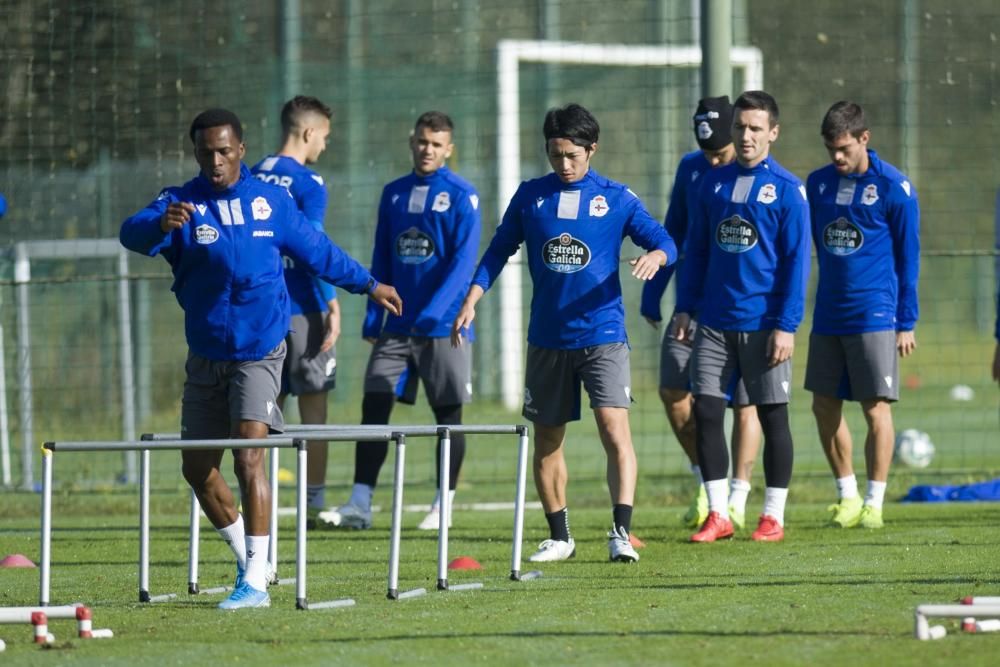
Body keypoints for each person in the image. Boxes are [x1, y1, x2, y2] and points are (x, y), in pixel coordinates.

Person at [119, 108, 402, 609]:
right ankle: (252, 558)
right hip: (206, 353)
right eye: (206, 152)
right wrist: (157, 223)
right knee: (198, 470)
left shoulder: (271, 202)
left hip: (260, 351)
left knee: (250, 456)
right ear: (195, 154)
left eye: (224, 151)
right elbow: (131, 232)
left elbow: (319, 251)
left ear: (241, 150)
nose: (215, 161)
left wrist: (369, 284)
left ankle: (253, 581)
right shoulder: (180, 203)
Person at [452, 103, 677, 563]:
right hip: (548, 338)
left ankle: (620, 533)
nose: (563, 164)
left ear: (592, 149)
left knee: (615, 430)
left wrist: (656, 257)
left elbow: (667, 241)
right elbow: (498, 250)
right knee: (547, 440)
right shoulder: (531, 196)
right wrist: (473, 296)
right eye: (555, 155)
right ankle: (561, 537)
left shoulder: (616, 198)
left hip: (603, 333)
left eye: (572, 155)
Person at [322, 111, 481, 531]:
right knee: (374, 405)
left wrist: (432, 313)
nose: (428, 149)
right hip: (395, 325)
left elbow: (463, 267)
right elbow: (382, 257)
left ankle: (441, 505)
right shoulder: (393, 194)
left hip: (444, 328)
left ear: (449, 149)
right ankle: (360, 503)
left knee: (448, 416)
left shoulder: (463, 196)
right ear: (412, 142)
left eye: (437, 144)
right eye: (422, 142)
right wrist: (374, 318)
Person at [673, 90, 810, 543]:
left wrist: (786, 326)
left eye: (755, 128)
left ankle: (773, 516)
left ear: (773, 132)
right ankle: (718, 514)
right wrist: (685, 307)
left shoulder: (789, 190)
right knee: (708, 412)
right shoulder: (711, 185)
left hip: (765, 325)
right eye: (740, 127)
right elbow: (697, 254)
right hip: (713, 322)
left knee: (773, 418)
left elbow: (796, 264)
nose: (746, 136)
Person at [639, 96, 762, 531]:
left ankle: (740, 495)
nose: (714, 159)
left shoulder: (758, 179)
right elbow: (671, 230)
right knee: (673, 390)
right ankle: (705, 480)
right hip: (692, 307)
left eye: (721, 151)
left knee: (745, 404)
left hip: (745, 311)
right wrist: (654, 295)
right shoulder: (692, 168)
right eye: (707, 151)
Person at [805, 101, 920, 530]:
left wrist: (906, 320)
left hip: (876, 314)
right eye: (830, 148)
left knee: (875, 409)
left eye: (844, 148)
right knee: (823, 406)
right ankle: (848, 495)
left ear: (864, 139)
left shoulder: (894, 188)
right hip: (829, 314)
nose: (836, 157)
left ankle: (875, 501)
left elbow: (909, 258)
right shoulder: (817, 185)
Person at [251, 96, 340, 529]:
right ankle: (313, 506)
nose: (324, 145)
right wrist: (331, 302)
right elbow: (314, 246)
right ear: (308, 133)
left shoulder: (253, 175)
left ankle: (255, 500)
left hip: (261, 308)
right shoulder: (308, 182)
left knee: (262, 410)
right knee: (314, 410)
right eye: (324, 137)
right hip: (303, 307)